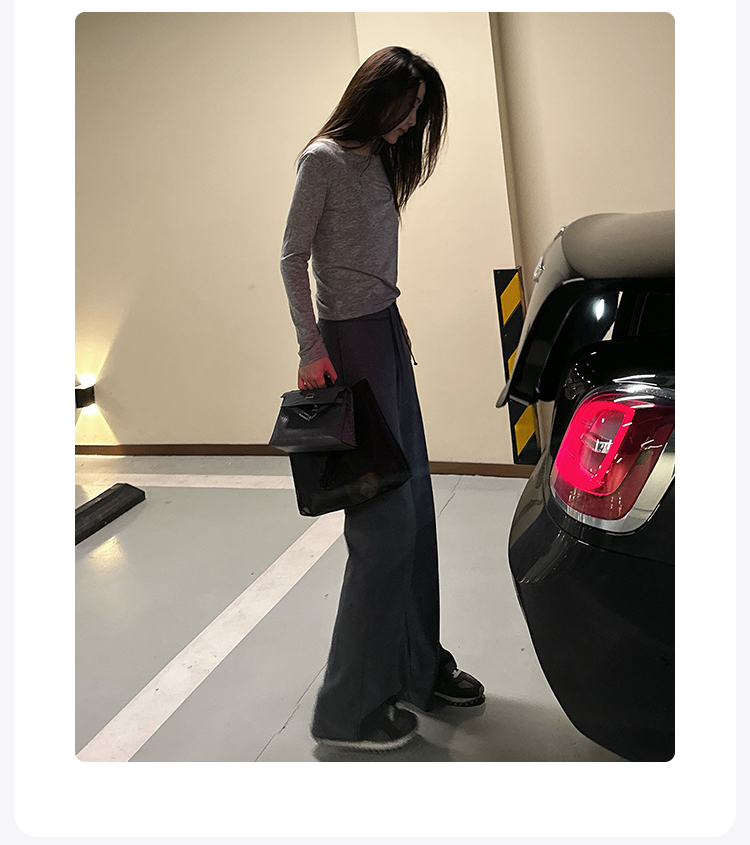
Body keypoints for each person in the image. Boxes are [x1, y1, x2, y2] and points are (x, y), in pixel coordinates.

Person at [279, 46, 484, 752]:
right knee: (383, 527)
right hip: (349, 346)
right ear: (375, 97)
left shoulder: (378, 161)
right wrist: (311, 346)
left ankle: (417, 669)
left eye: (421, 110)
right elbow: (291, 255)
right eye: (408, 107)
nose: (414, 122)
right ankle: (346, 710)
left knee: (416, 509)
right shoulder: (323, 160)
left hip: (389, 337)